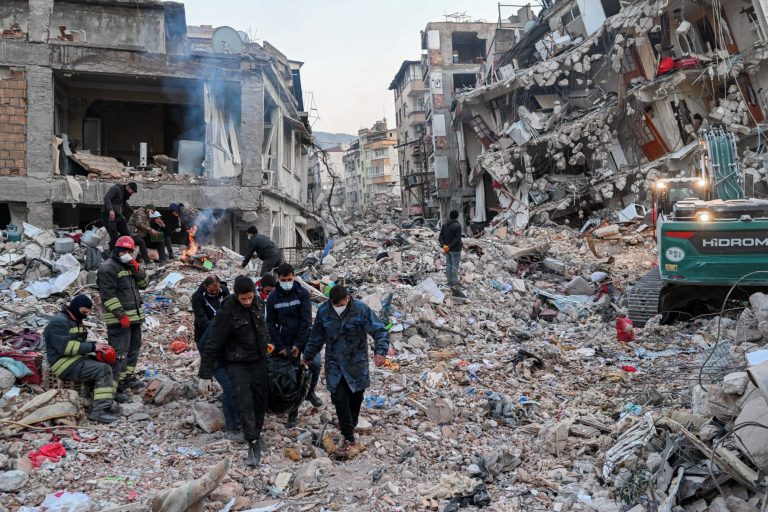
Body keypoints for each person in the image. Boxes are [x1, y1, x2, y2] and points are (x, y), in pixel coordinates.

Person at [302, 285, 389, 458]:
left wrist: (380, 351)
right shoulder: (325, 311)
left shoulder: (360, 309)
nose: (339, 307)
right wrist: (308, 355)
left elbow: (379, 330)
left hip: (356, 363)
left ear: (348, 298)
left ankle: (350, 424)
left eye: (342, 304)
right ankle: (348, 438)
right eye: (336, 305)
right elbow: (317, 335)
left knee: (356, 398)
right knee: (339, 398)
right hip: (335, 364)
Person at [199, 276, 270, 466]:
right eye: (243, 299)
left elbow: (263, 329)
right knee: (243, 402)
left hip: (259, 360)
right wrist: (205, 374)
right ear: (236, 295)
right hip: (238, 363)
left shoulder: (259, 303)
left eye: (250, 298)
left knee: (260, 401)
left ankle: (257, 432)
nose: (247, 302)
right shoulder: (226, 312)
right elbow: (212, 343)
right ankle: (252, 442)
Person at [44, 295, 119, 424]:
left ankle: (106, 399)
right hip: (63, 363)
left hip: (75, 359)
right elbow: (66, 347)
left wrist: (99, 347)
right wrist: (93, 347)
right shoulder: (59, 322)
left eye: (87, 313)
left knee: (112, 362)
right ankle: (99, 411)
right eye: (84, 312)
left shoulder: (75, 320)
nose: (85, 316)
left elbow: (80, 342)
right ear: (75, 308)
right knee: (103, 370)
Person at [266, 264, 322, 429]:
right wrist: (280, 346)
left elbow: (306, 321)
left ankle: (310, 391)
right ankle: (293, 411)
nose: (287, 282)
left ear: (293, 277)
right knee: (292, 373)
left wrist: (298, 344)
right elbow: (270, 324)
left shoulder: (302, 293)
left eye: (290, 279)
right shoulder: (273, 298)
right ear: (278, 279)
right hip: (284, 340)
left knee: (315, 364)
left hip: (303, 337)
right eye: (284, 280)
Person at [97, 236, 149, 402]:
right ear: (116, 249)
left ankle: (126, 380)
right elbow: (107, 295)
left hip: (135, 318)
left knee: (133, 350)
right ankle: (115, 390)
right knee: (119, 355)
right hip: (119, 320)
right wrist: (121, 315)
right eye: (123, 250)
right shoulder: (107, 268)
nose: (126, 253)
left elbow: (144, 284)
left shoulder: (129, 265)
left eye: (129, 251)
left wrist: (136, 267)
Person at [191, 276, 242, 442]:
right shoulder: (198, 298)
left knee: (236, 386)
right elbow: (208, 350)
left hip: (226, 353)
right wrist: (204, 375)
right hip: (212, 351)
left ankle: (236, 414)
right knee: (230, 388)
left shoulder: (228, 302)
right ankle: (231, 427)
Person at [101, 182, 137, 250]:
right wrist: (110, 210)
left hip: (118, 215)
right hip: (108, 215)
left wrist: (132, 210)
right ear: (128, 187)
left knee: (126, 234)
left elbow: (124, 203)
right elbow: (107, 198)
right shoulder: (116, 189)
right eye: (132, 192)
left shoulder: (123, 193)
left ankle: (119, 249)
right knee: (114, 237)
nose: (131, 194)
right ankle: (112, 255)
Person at [438, 210, 464, 296]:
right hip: (455, 249)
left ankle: (449, 282)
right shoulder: (457, 226)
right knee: (454, 267)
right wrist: (449, 246)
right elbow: (457, 239)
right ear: (456, 216)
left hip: (446, 249)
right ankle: (454, 283)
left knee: (448, 265)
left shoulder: (444, 225)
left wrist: (444, 246)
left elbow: (440, 237)